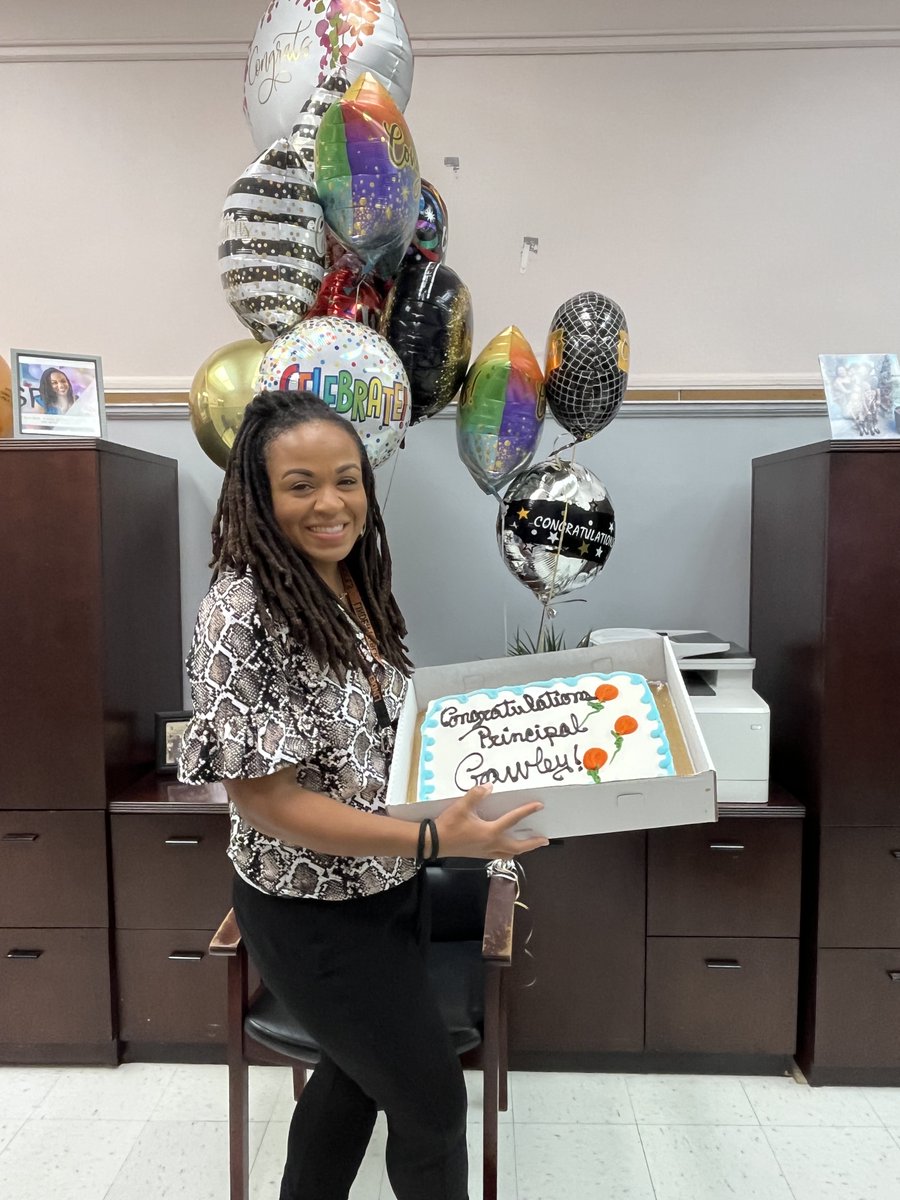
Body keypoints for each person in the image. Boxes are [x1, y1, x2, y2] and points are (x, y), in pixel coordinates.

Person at [178, 389, 547, 1200]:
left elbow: (383, 733)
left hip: (387, 891)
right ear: (258, 494)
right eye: (300, 484)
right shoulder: (239, 612)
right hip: (311, 913)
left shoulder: (355, 585)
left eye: (346, 480)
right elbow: (266, 803)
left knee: (351, 1082)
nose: (330, 503)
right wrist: (432, 843)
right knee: (433, 1109)